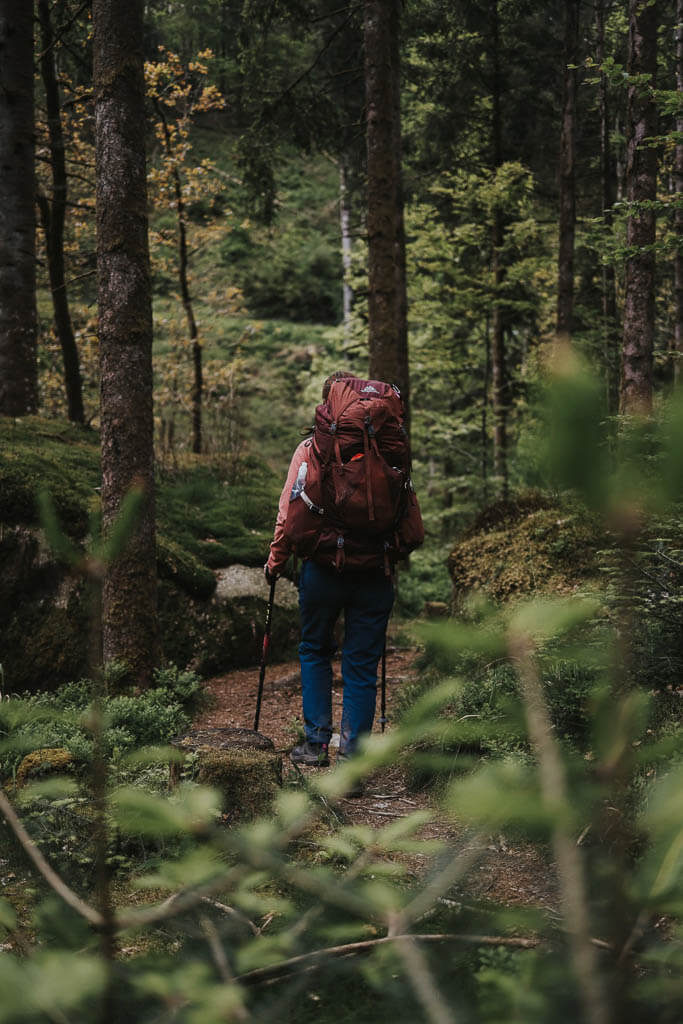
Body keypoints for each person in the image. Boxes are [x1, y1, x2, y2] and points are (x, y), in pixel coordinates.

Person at [265, 371, 395, 771]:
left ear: (327, 407)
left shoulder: (310, 449)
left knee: (314, 650)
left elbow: (288, 514)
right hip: (374, 571)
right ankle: (352, 763)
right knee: (362, 666)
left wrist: (275, 561)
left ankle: (316, 744)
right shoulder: (387, 447)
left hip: (323, 570)